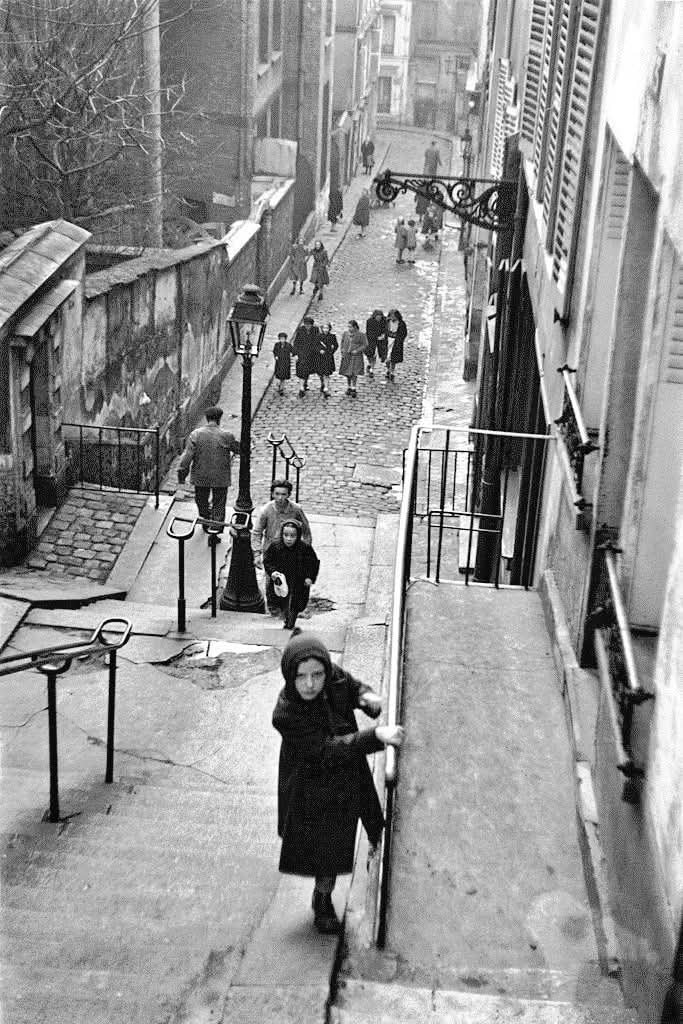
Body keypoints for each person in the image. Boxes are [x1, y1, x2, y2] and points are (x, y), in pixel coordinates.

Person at [272, 630, 405, 933]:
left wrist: (365, 697)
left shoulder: (331, 676)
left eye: (317, 675)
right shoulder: (287, 713)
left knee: (339, 838)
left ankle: (331, 888)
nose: (310, 684)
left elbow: (350, 685)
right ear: (290, 676)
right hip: (311, 786)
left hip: (345, 771)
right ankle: (322, 900)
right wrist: (375, 736)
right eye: (301, 676)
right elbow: (325, 751)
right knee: (325, 846)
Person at [176, 406, 240, 543]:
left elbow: (187, 458)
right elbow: (238, 449)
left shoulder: (196, 434)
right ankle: (214, 533)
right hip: (220, 477)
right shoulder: (226, 435)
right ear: (219, 419)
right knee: (219, 504)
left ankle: (205, 521)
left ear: (206, 418)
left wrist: (182, 475)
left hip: (201, 475)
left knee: (201, 500)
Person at [252, 479, 313, 612]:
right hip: (272, 552)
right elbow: (257, 533)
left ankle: (290, 609)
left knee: (292, 580)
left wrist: (305, 550)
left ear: (288, 495)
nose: (280, 498)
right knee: (272, 581)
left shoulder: (296, 510)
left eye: (283, 494)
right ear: (272, 494)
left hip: (291, 551)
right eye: (277, 494)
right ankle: (273, 608)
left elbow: (306, 531)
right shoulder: (266, 510)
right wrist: (257, 553)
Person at [263, 520, 320, 630]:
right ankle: (286, 617)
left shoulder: (304, 548)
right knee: (281, 600)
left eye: (292, 536)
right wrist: (272, 572)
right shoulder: (276, 546)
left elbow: (313, 563)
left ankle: (290, 621)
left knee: (296, 603)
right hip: (281, 580)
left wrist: (310, 577)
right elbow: (268, 561)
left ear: (298, 536)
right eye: (286, 535)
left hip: (298, 581)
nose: (289, 539)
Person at [338, 319, 367, 398]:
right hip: (347, 356)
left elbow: (365, 345)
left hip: (356, 356)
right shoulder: (345, 333)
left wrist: (357, 350)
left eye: (350, 327)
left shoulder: (361, 334)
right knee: (347, 372)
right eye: (348, 327)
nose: (349, 328)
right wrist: (342, 350)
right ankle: (349, 386)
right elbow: (342, 342)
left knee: (354, 373)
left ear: (355, 327)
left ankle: (354, 387)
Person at [293, 315, 320, 397]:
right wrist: (295, 354)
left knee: (308, 370)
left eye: (309, 325)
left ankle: (305, 384)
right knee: (302, 370)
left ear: (312, 325)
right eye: (306, 324)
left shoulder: (315, 330)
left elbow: (318, 341)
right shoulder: (300, 330)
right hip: (302, 353)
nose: (307, 326)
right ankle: (301, 388)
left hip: (312, 354)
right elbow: (296, 342)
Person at [315, 323, 339, 398]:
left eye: (327, 328)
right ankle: (322, 383)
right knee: (320, 373)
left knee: (326, 373)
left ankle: (326, 388)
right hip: (320, 357)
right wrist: (319, 350)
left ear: (329, 329)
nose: (325, 330)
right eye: (324, 328)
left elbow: (336, 345)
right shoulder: (318, 336)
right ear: (322, 329)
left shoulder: (332, 336)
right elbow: (315, 345)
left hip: (328, 357)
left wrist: (332, 351)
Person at [385, 309, 407, 383]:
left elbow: (404, 333)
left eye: (394, 316)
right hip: (387, 341)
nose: (392, 317)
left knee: (393, 359)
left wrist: (400, 340)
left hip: (395, 342)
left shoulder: (401, 323)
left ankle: (392, 372)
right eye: (391, 316)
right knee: (387, 359)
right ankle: (388, 369)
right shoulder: (387, 322)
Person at [365, 309, 387, 378]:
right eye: (377, 316)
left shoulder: (384, 321)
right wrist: (376, 337)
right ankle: (371, 367)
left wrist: (383, 335)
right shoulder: (369, 321)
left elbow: (385, 329)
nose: (379, 318)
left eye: (380, 316)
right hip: (371, 340)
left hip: (381, 341)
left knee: (381, 354)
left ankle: (372, 369)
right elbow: (369, 332)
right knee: (371, 354)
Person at [273, 331, 294, 396]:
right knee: (279, 375)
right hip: (279, 363)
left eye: (283, 339)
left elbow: (293, 351)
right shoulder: (277, 345)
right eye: (281, 339)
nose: (282, 340)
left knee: (283, 376)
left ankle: (281, 388)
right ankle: (280, 385)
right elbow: (275, 351)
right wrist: (276, 356)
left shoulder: (288, 345)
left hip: (285, 363)